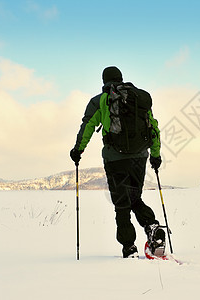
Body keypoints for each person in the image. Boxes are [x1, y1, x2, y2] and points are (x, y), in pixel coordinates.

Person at [70, 66, 164, 258]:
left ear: (104, 81)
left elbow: (87, 126)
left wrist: (78, 150)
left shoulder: (100, 101)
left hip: (115, 160)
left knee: (122, 203)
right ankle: (152, 226)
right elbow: (153, 127)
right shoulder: (137, 100)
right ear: (121, 79)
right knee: (134, 198)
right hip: (140, 157)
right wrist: (155, 155)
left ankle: (129, 247)